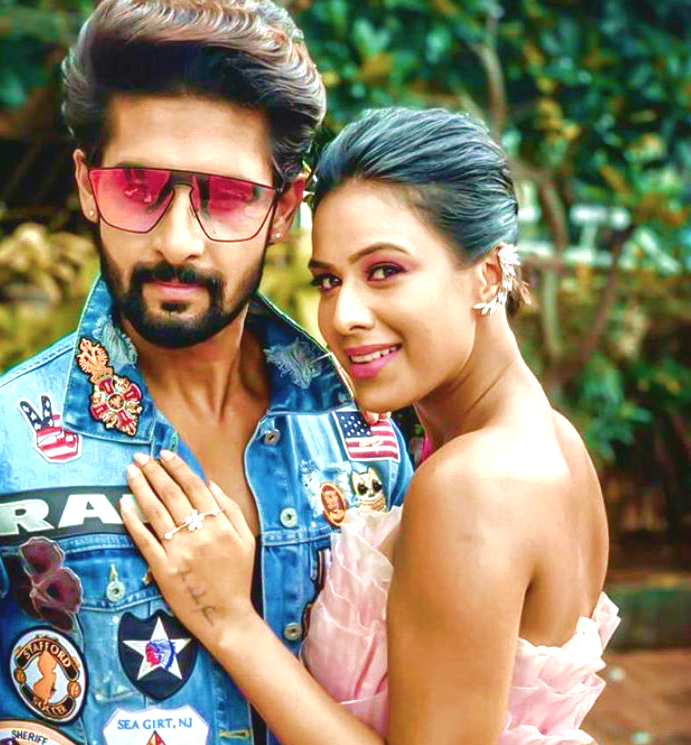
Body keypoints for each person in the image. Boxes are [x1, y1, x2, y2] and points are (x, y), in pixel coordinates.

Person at [0, 4, 413, 743]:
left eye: (225, 197)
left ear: (284, 209)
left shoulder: (365, 447)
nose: (176, 241)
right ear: (86, 184)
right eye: (137, 187)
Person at [121, 107, 620, 745]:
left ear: (488, 275)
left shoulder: (472, 485)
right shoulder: (556, 444)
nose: (344, 315)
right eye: (329, 281)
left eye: (385, 271)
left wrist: (230, 621)